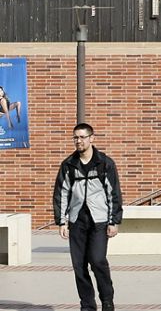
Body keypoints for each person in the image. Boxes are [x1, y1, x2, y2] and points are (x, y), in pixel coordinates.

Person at [53, 122, 122, 311]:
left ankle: (107, 300)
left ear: (92, 138)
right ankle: (87, 305)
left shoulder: (104, 163)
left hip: (99, 220)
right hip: (77, 220)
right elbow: (61, 193)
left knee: (98, 260)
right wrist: (62, 222)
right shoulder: (68, 165)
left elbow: (113, 194)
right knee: (79, 265)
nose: (79, 141)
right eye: (75, 137)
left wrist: (113, 221)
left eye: (83, 137)